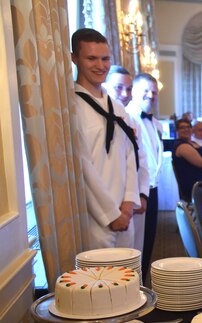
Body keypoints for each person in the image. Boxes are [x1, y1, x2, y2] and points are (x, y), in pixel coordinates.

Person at [71, 28, 139, 250]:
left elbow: (131, 154)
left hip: (125, 213)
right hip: (96, 219)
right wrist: (111, 214)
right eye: (91, 58)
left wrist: (128, 203)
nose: (100, 65)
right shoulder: (72, 108)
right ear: (75, 58)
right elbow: (83, 168)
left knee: (129, 278)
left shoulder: (118, 108)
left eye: (105, 58)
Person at [104, 65, 149, 253]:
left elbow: (139, 159)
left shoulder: (129, 119)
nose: (125, 93)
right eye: (118, 87)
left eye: (129, 89)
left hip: (130, 201)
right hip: (107, 205)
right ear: (106, 86)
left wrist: (140, 194)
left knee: (134, 253)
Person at [127, 73, 162, 280]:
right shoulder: (127, 117)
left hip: (153, 188)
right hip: (137, 190)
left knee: (149, 241)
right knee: (136, 243)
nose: (151, 95)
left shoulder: (155, 123)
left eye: (154, 91)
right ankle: (134, 286)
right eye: (146, 91)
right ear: (134, 92)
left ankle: (143, 283)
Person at [172, 119, 202, 203]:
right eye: (182, 127)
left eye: (188, 127)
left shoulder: (192, 143)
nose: (186, 129)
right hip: (195, 185)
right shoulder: (182, 146)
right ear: (177, 131)